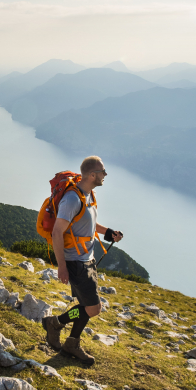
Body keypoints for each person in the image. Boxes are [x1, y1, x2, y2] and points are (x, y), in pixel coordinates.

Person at [42, 155, 122, 365]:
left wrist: (109, 232)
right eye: (103, 172)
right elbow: (57, 232)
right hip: (76, 262)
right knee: (93, 308)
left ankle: (71, 343)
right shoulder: (72, 199)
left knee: (86, 305)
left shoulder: (88, 195)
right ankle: (55, 323)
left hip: (87, 258)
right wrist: (62, 266)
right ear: (92, 174)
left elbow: (88, 224)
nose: (105, 175)